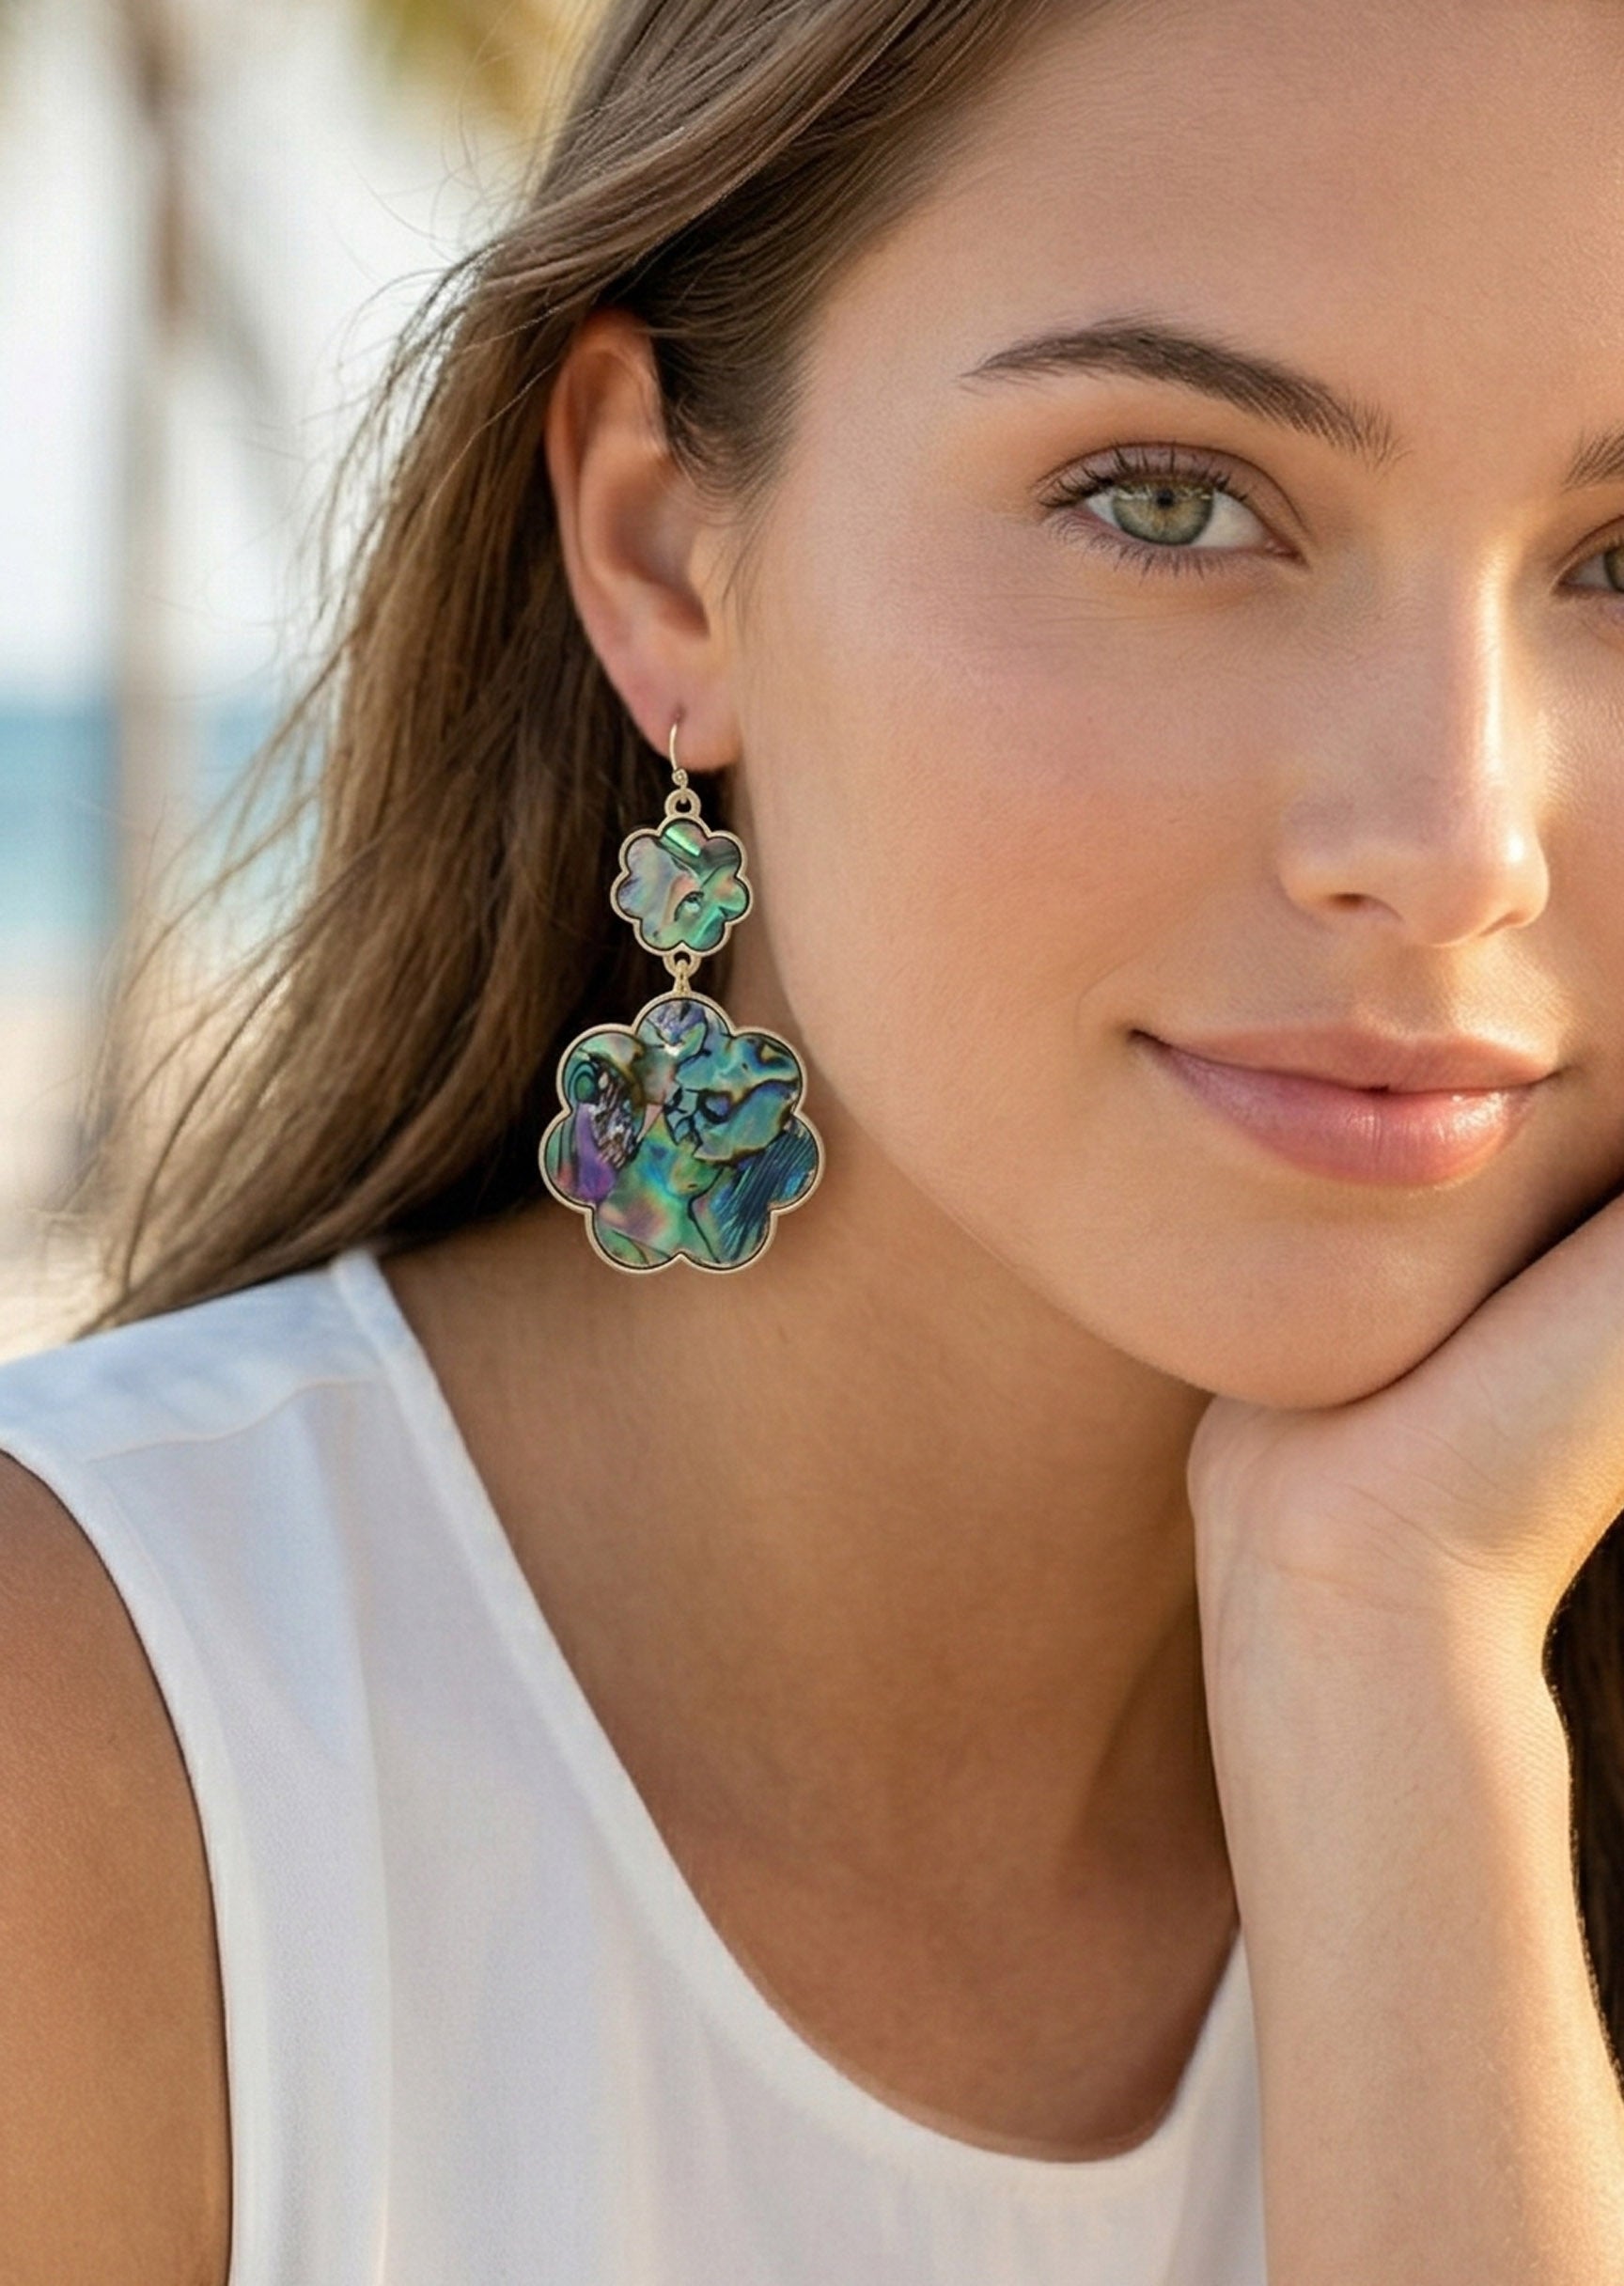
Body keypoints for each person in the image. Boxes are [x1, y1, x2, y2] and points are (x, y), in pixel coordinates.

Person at [5, 0, 1624, 2276]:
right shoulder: (89, 1765)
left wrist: (1394, 1653)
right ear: (666, 557)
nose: (1455, 843)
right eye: (1168, 503)